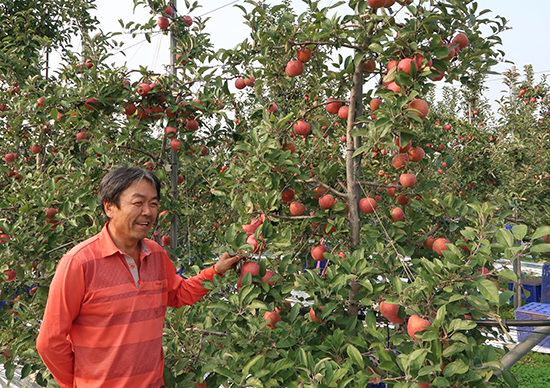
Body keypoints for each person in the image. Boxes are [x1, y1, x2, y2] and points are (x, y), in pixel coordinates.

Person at [36, 166, 242, 388]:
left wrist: (216, 271)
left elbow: (179, 294)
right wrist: (77, 384)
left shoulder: (155, 253)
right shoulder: (79, 263)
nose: (148, 212)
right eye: (138, 203)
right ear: (109, 207)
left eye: (153, 204)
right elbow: (50, 341)